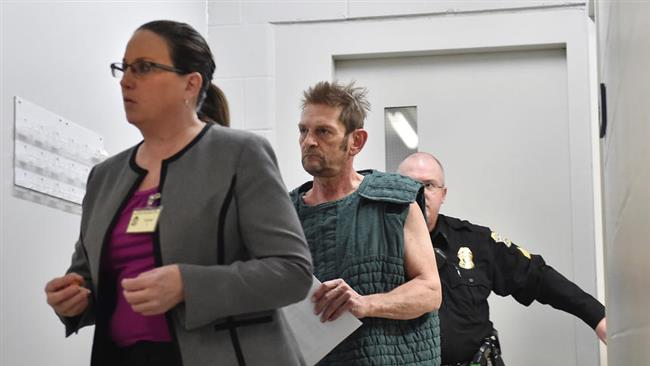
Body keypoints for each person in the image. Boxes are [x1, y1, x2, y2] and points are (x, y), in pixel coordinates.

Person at [44, 20, 312, 366]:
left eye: (143, 68)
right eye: (123, 68)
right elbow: (89, 277)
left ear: (191, 83)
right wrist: (74, 298)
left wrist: (188, 284)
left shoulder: (240, 155)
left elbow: (292, 273)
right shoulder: (104, 177)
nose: (126, 80)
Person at [397, 152, 607, 366]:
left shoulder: (474, 241)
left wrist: (598, 317)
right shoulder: (376, 245)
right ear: (394, 190)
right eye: (410, 184)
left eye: (429, 185)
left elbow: (538, 277)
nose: (420, 193)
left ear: (444, 194)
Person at [289, 81, 442, 365]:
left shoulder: (395, 200)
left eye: (323, 131)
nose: (309, 141)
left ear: (356, 141)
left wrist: (365, 304)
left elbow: (430, 291)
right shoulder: (286, 213)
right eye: (303, 130)